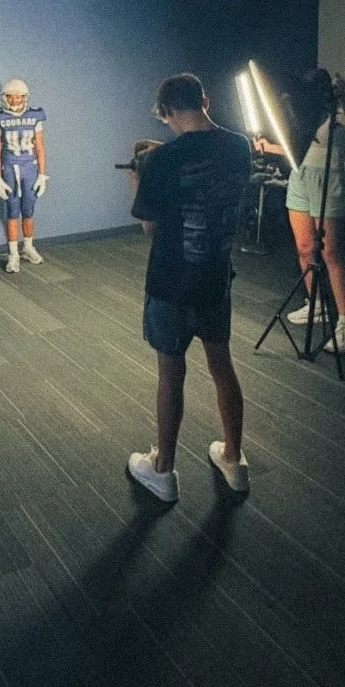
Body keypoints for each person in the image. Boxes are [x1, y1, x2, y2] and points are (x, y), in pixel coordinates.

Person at [126, 72, 252, 504]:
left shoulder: (161, 161)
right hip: (216, 277)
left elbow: (149, 226)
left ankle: (163, 470)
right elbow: (203, 159)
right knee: (222, 365)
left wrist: (138, 174)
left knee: (171, 372)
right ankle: (234, 459)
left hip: (171, 281)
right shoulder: (239, 146)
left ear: (166, 111)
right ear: (205, 100)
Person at [281, 68, 345, 353]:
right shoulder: (305, 111)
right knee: (304, 246)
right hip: (299, 174)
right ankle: (315, 305)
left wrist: (342, 95)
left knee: (331, 252)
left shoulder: (338, 111)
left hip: (328, 178)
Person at [0, 78, 48, 273]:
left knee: (28, 210)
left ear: (25, 97)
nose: (14, 100)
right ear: (5, 97)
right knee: (12, 211)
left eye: (18, 97)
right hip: (9, 167)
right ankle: (13, 254)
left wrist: (42, 174)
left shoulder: (35, 114)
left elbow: (40, 147)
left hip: (30, 167)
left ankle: (28, 247)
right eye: (11, 97)